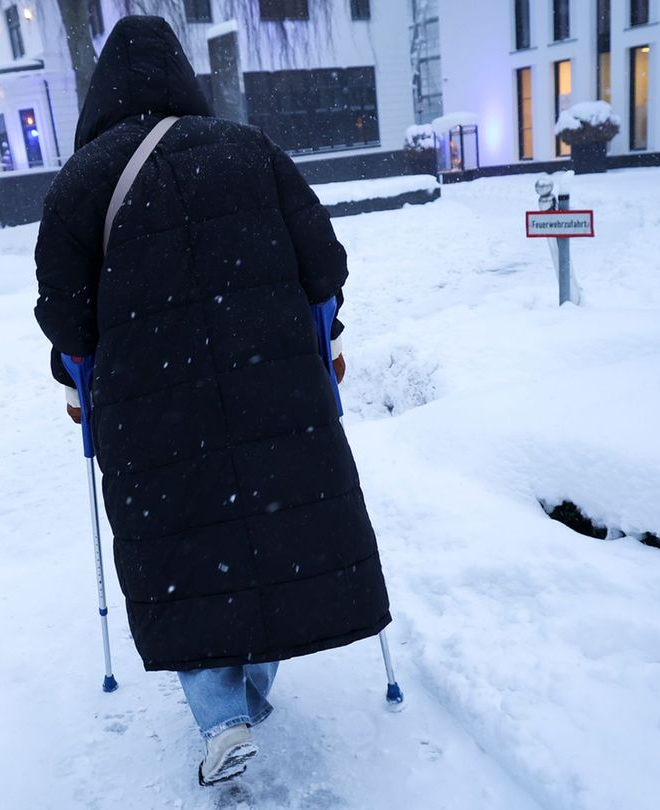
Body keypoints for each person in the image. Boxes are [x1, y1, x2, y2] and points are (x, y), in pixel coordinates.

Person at [33, 16, 391, 788]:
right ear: (181, 78)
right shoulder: (249, 150)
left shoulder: (81, 182)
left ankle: (221, 716)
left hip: (151, 407)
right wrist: (322, 335)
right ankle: (254, 689)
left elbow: (65, 317)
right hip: (271, 382)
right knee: (269, 528)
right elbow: (323, 263)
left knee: (185, 549)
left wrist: (76, 386)